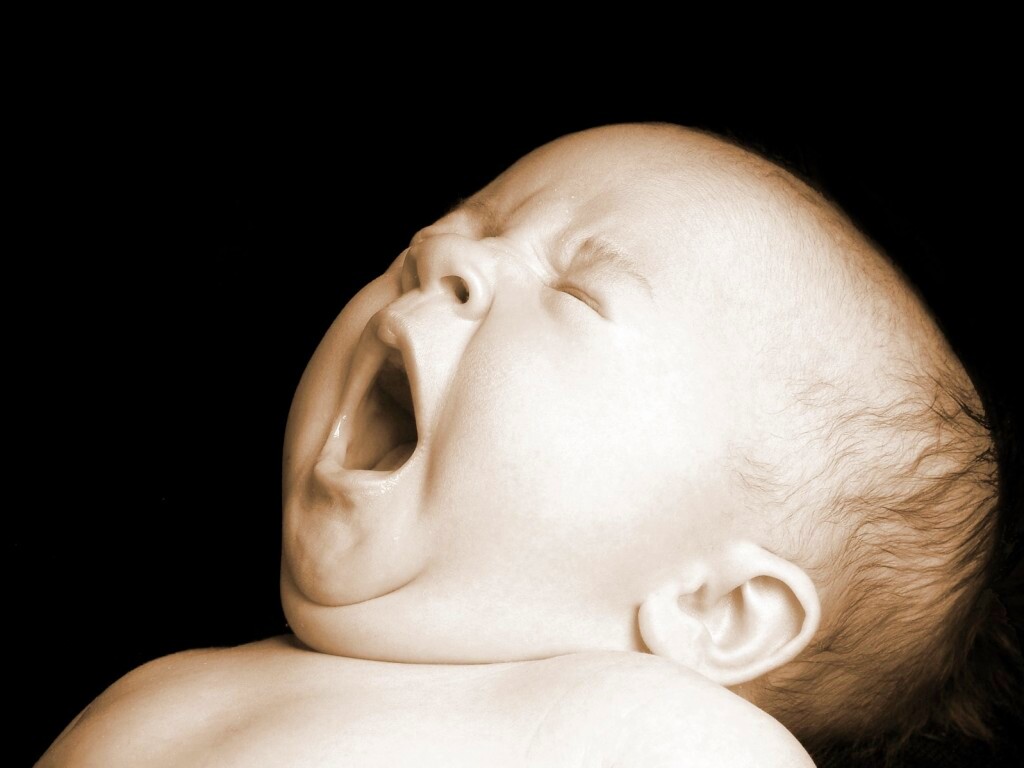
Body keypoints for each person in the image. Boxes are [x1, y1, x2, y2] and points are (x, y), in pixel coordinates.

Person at [38, 123, 1014, 766]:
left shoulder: (670, 736)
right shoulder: (176, 682)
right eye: (460, 222)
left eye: (578, 292)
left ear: (716, 608)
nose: (443, 252)